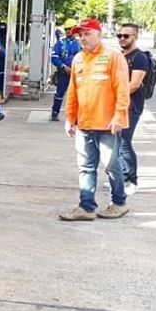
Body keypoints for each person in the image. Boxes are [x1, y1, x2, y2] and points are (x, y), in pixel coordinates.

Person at [59, 18, 131, 222]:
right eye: (80, 34)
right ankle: (86, 206)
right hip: (84, 123)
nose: (83, 38)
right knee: (85, 166)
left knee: (111, 165)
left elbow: (122, 90)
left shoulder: (113, 57)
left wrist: (119, 115)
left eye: (87, 33)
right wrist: (69, 117)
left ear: (99, 34)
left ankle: (119, 203)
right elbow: (73, 91)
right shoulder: (78, 59)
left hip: (108, 124)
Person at [117, 23, 151, 196]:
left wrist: (117, 96)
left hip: (131, 107)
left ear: (135, 37)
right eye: (120, 36)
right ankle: (121, 178)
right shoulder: (120, 56)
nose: (122, 39)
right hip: (118, 106)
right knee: (117, 143)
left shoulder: (139, 58)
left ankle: (132, 180)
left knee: (124, 142)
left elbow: (135, 84)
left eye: (126, 36)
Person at [50, 19, 81, 122]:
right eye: (66, 29)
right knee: (59, 93)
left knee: (79, 95)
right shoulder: (60, 42)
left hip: (77, 73)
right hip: (63, 73)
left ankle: (76, 116)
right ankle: (55, 112)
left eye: (70, 29)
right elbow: (54, 57)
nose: (68, 31)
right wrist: (63, 66)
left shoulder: (80, 43)